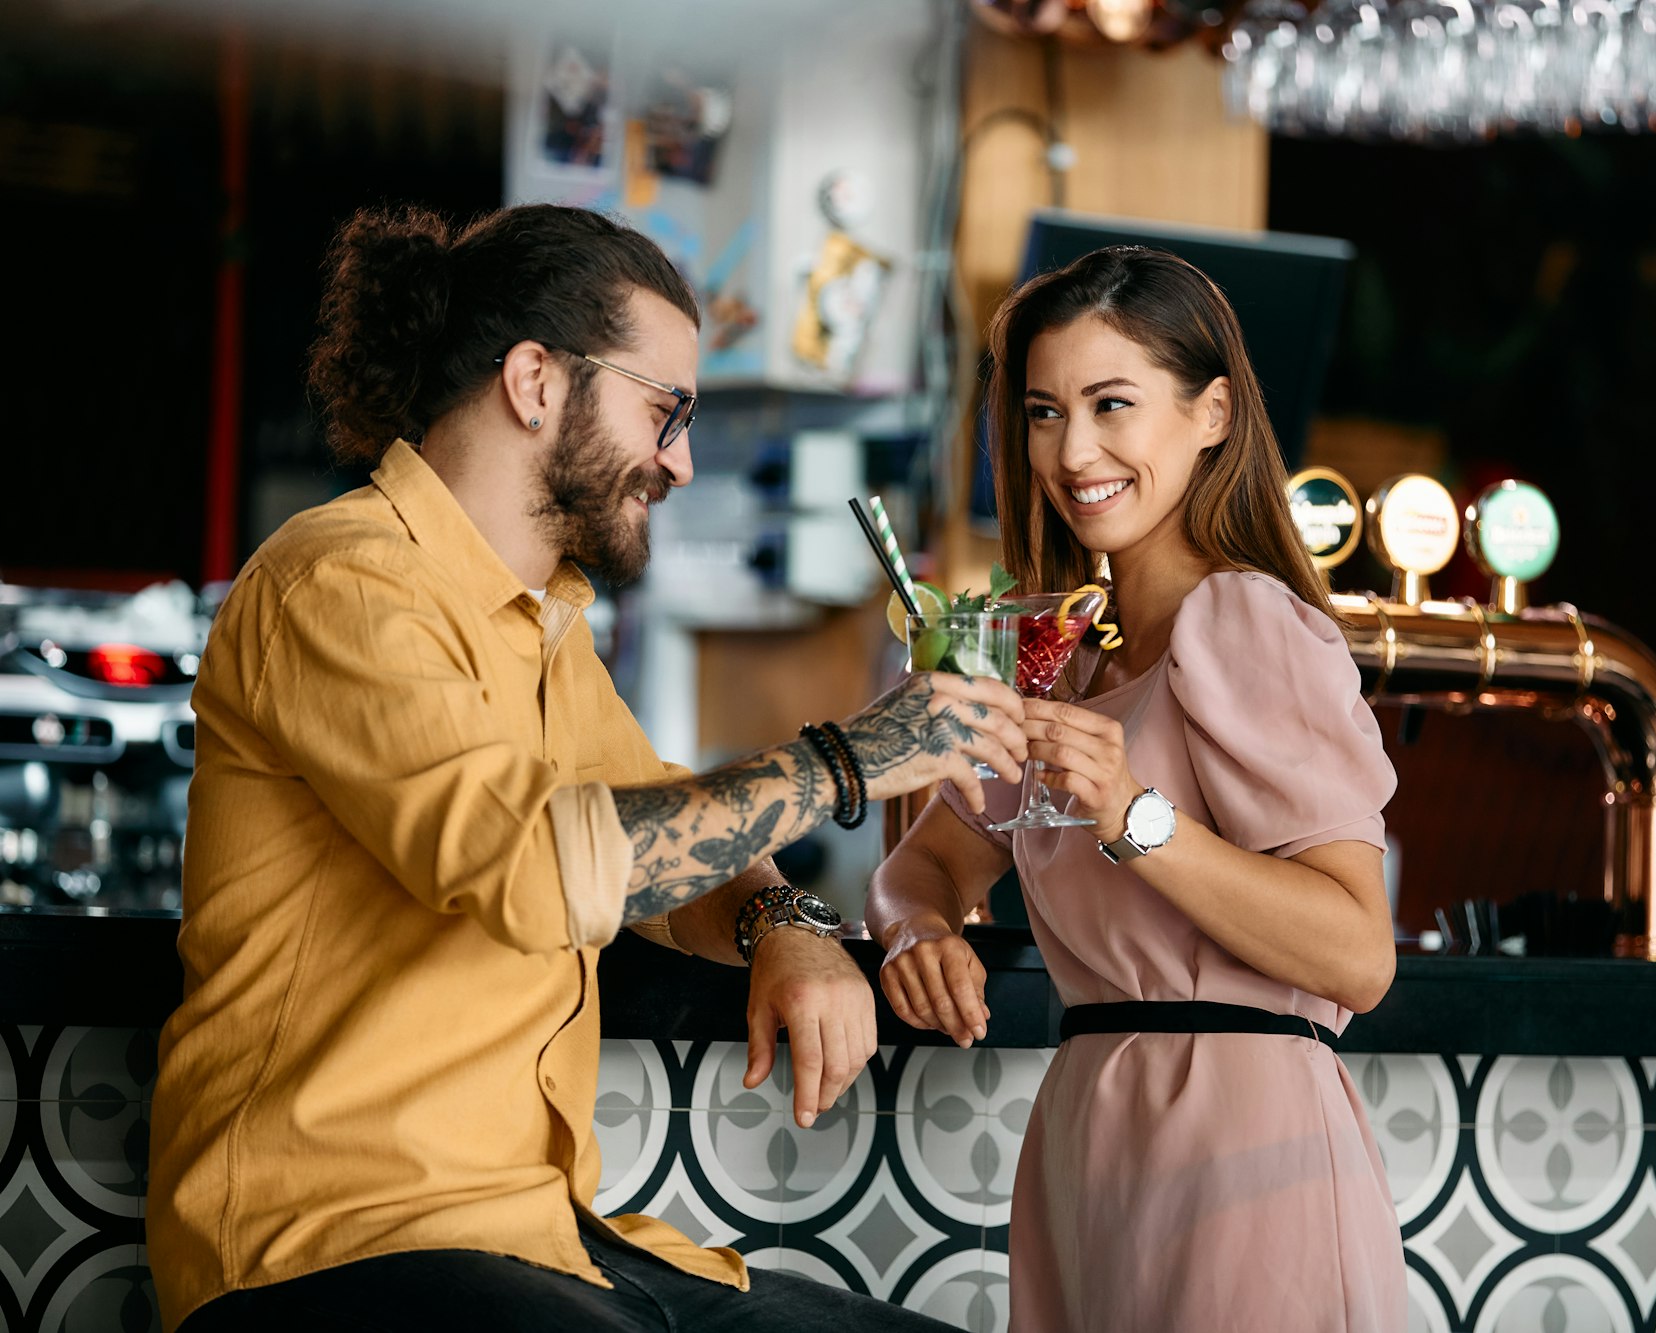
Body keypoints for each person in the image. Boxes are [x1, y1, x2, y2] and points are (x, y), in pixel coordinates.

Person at [148, 203, 1027, 1333]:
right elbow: (533, 868)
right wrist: (846, 759)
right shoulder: (342, 584)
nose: (680, 459)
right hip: (322, 1253)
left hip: (539, 1242)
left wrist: (785, 925)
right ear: (534, 381)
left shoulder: (544, 629)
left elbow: (673, 845)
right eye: (665, 410)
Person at [867, 247, 1406, 1332]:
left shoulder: (1241, 621)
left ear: (1210, 414)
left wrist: (1133, 818)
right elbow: (920, 861)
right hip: (1088, 1137)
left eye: (1112, 404)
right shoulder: (1056, 660)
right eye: (1042, 411)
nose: (1073, 451)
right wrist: (913, 929)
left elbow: (1358, 952)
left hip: (1241, 1139)